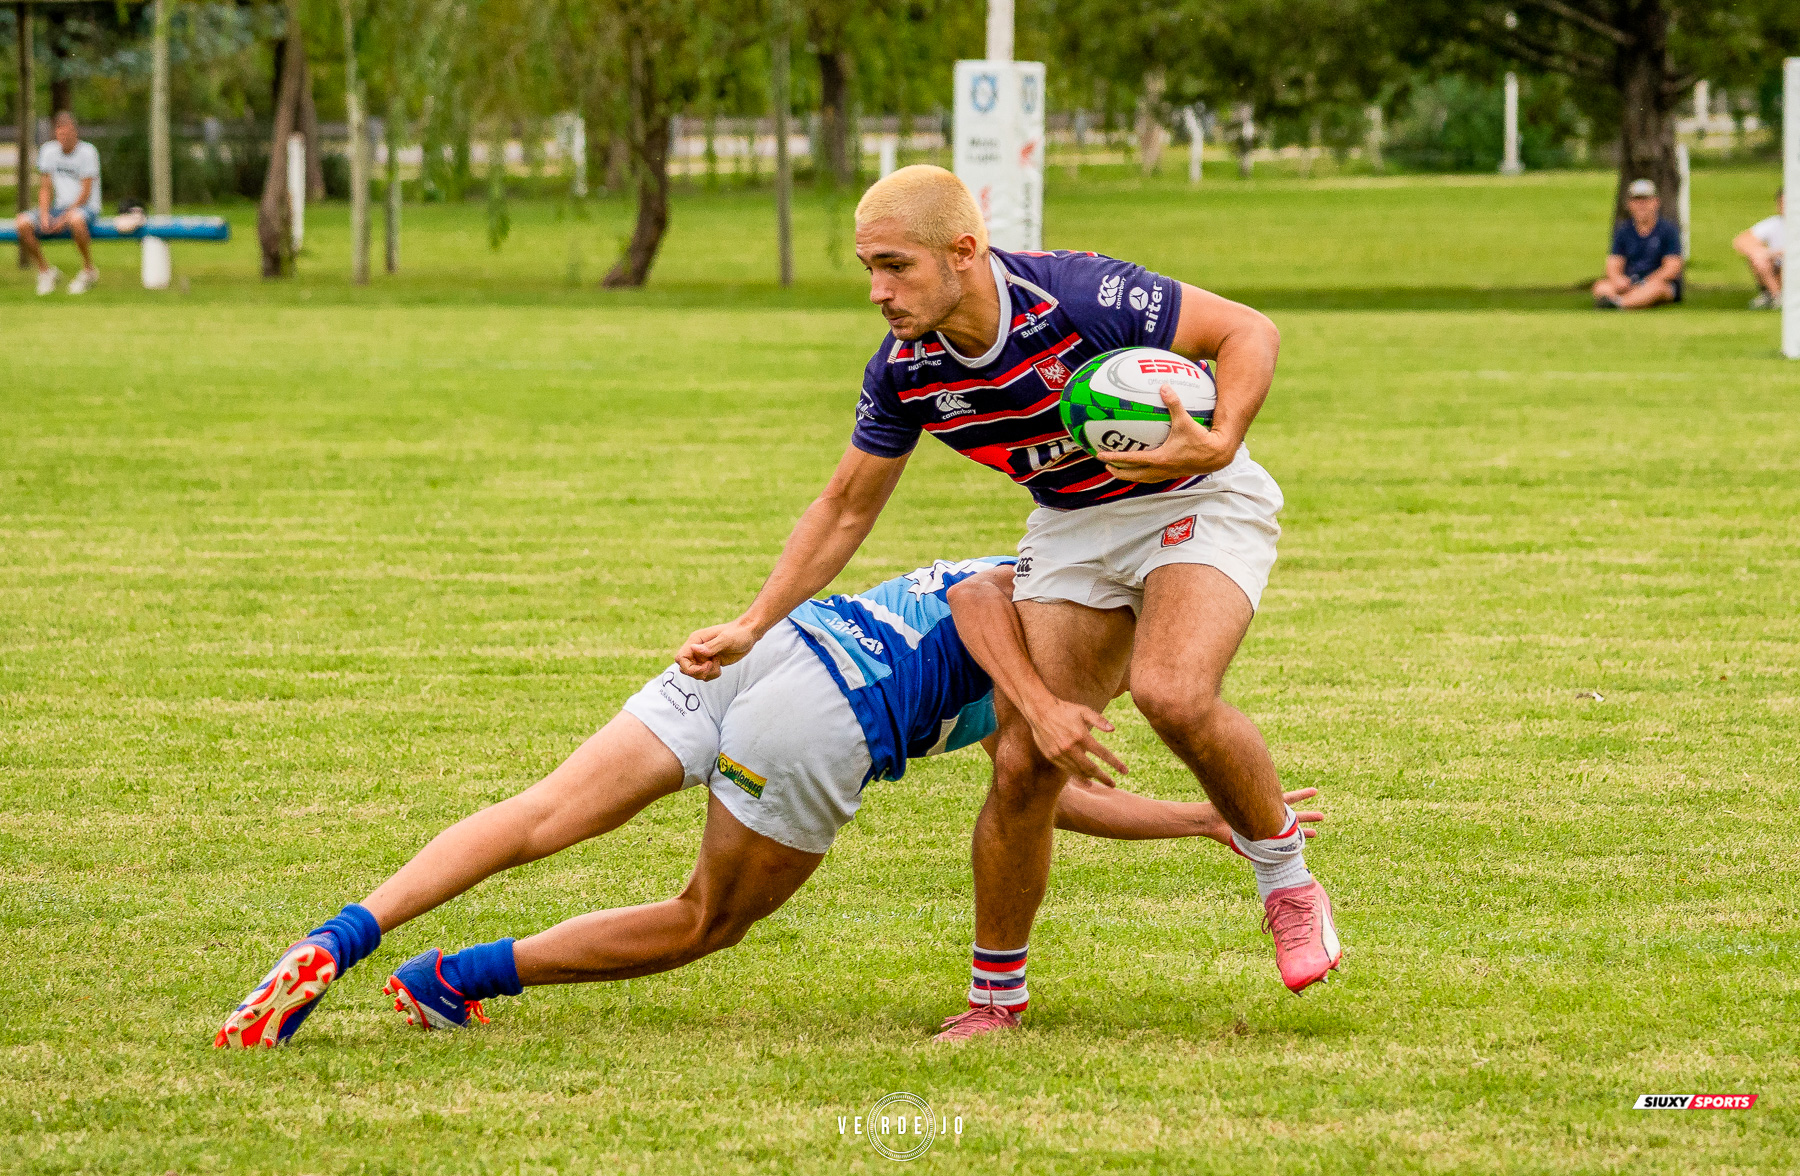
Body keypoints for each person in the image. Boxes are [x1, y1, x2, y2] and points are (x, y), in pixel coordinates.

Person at [676, 164, 1338, 1044]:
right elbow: (844, 505)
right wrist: (752, 623)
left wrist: (1218, 443)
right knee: (1025, 760)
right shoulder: (906, 369)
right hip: (1071, 525)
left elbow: (1247, 330)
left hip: (1193, 499)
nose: (877, 290)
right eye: (867, 267)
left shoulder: (1075, 292)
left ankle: (1284, 875)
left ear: (964, 251)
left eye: (895, 266)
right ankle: (998, 1000)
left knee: (1172, 692)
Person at [214, 556, 1326, 1048]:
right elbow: (1000, 653)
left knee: (543, 812)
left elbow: (1044, 798)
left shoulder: (1069, 558)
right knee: (707, 917)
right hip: (819, 716)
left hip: (781, 646)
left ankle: (341, 937)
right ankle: (449, 977)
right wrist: (1040, 701)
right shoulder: (1097, 606)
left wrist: (1203, 819)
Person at [16, 112, 103, 296]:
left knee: (76, 220)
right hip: (59, 207)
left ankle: (88, 270)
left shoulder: (88, 152)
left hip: (85, 208)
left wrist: (63, 219)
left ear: (75, 132)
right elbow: (45, 188)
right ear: (55, 133)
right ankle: (45, 271)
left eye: (68, 133)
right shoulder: (49, 151)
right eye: (60, 134)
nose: (64, 138)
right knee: (23, 222)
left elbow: (85, 194)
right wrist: (46, 215)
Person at [1591, 178, 1683, 310]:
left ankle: (1618, 304)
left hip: (1657, 282)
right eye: (1636, 200)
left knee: (1655, 289)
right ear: (1629, 204)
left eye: (1646, 200)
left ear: (1656, 202)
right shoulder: (1624, 231)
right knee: (1601, 287)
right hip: (1630, 281)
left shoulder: (1667, 230)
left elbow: (1672, 267)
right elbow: (1613, 263)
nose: (1641, 205)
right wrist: (1618, 279)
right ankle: (1626, 300)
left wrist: (1646, 282)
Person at [1732, 187, 1784, 310]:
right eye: (1781, 203)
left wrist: (1775, 253)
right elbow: (1741, 241)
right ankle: (1776, 296)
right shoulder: (1774, 223)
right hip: (1777, 264)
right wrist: (1760, 252)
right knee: (1758, 257)